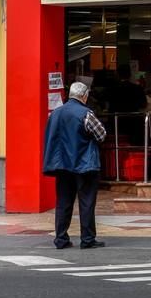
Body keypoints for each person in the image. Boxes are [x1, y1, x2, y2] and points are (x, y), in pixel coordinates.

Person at [43, 82, 107, 249]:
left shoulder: (55, 114)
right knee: (86, 202)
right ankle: (87, 239)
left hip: (62, 165)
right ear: (84, 96)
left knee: (63, 202)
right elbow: (101, 135)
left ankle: (61, 239)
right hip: (84, 165)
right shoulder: (86, 113)